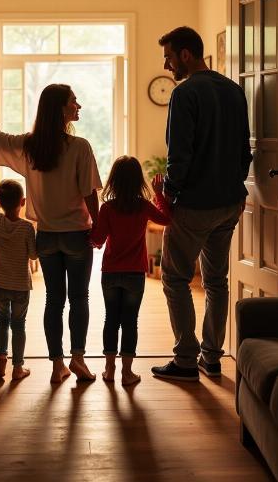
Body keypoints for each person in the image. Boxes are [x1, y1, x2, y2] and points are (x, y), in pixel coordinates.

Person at [0, 80, 102, 383]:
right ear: (60, 109)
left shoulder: (32, 146)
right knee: (79, 298)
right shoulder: (80, 147)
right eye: (73, 100)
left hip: (46, 236)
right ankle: (78, 360)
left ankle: (58, 366)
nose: (78, 105)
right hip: (75, 235)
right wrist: (98, 229)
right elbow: (90, 194)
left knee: (54, 300)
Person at [151, 26, 252, 382]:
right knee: (216, 281)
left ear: (186, 55)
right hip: (229, 203)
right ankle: (212, 357)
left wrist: (170, 194)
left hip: (194, 204)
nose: (167, 65)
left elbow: (179, 155)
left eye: (168, 57)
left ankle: (185, 359)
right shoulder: (235, 91)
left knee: (175, 278)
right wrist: (236, 185)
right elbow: (245, 150)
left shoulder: (185, 94)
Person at [91, 159, 171, 385]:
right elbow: (167, 219)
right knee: (130, 322)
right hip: (135, 273)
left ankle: (109, 369)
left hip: (110, 273)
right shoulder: (144, 206)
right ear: (138, 181)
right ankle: (127, 373)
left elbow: (97, 241)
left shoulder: (107, 208)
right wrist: (158, 193)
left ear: (113, 181)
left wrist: (87, 229)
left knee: (111, 320)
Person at [0, 162, 36, 380]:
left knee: (2, 321)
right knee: (19, 325)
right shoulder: (27, 228)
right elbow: (33, 255)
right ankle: (17, 367)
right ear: (22, 202)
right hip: (20, 285)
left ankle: (2, 358)